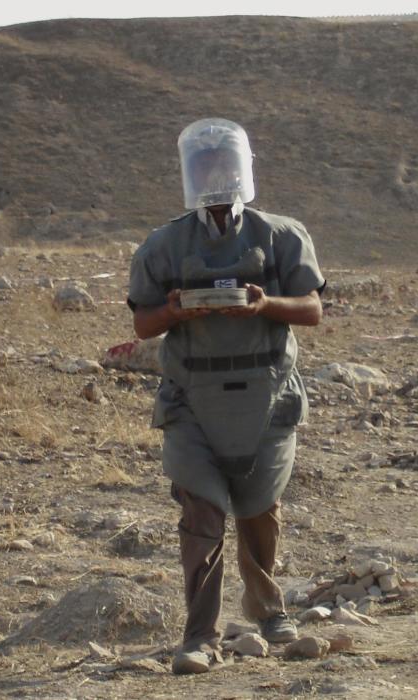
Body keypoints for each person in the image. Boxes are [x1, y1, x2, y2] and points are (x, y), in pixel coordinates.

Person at [127, 118, 325, 675]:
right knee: (202, 513)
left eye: (225, 164)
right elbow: (144, 324)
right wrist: (175, 310)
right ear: (190, 173)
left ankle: (267, 610)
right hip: (193, 398)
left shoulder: (280, 235)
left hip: (265, 396)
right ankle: (199, 636)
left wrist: (263, 305)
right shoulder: (165, 243)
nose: (217, 176)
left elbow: (311, 309)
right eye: (204, 166)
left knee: (260, 512)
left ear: (243, 168)